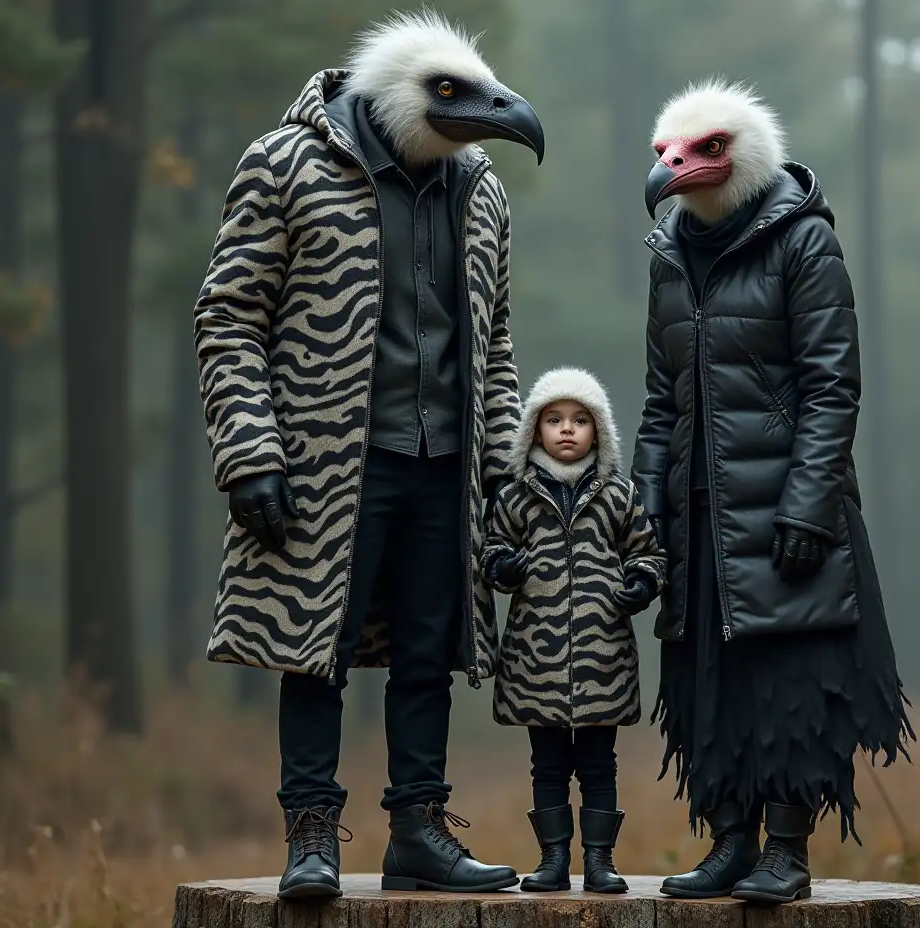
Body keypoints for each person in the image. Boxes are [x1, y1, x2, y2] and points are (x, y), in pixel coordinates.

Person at [192, 11, 545, 898]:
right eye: (452, 95)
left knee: (431, 649)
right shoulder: (285, 164)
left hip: (444, 462)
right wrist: (249, 450)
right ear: (395, 91)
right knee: (315, 648)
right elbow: (229, 315)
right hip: (323, 460)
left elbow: (495, 348)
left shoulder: (481, 191)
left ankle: (418, 832)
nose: (487, 111)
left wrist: (503, 468)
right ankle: (311, 836)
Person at [633, 78, 915, 904]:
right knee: (710, 679)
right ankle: (730, 841)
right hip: (700, 511)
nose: (679, 168)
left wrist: (807, 505)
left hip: (795, 507)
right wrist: (646, 506)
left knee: (793, 681)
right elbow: (661, 401)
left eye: (704, 150)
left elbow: (833, 388)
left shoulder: (803, 242)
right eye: (667, 157)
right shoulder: (669, 258)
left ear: (744, 152)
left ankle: (785, 851)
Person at [481, 367, 666, 894]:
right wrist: (504, 567)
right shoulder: (515, 498)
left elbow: (649, 552)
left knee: (599, 764)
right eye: (555, 419)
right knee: (546, 765)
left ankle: (601, 862)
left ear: (599, 431)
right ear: (533, 429)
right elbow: (491, 550)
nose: (567, 429)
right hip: (534, 660)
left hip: (601, 655)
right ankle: (553, 860)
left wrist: (640, 583)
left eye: (581, 420)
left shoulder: (617, 495)